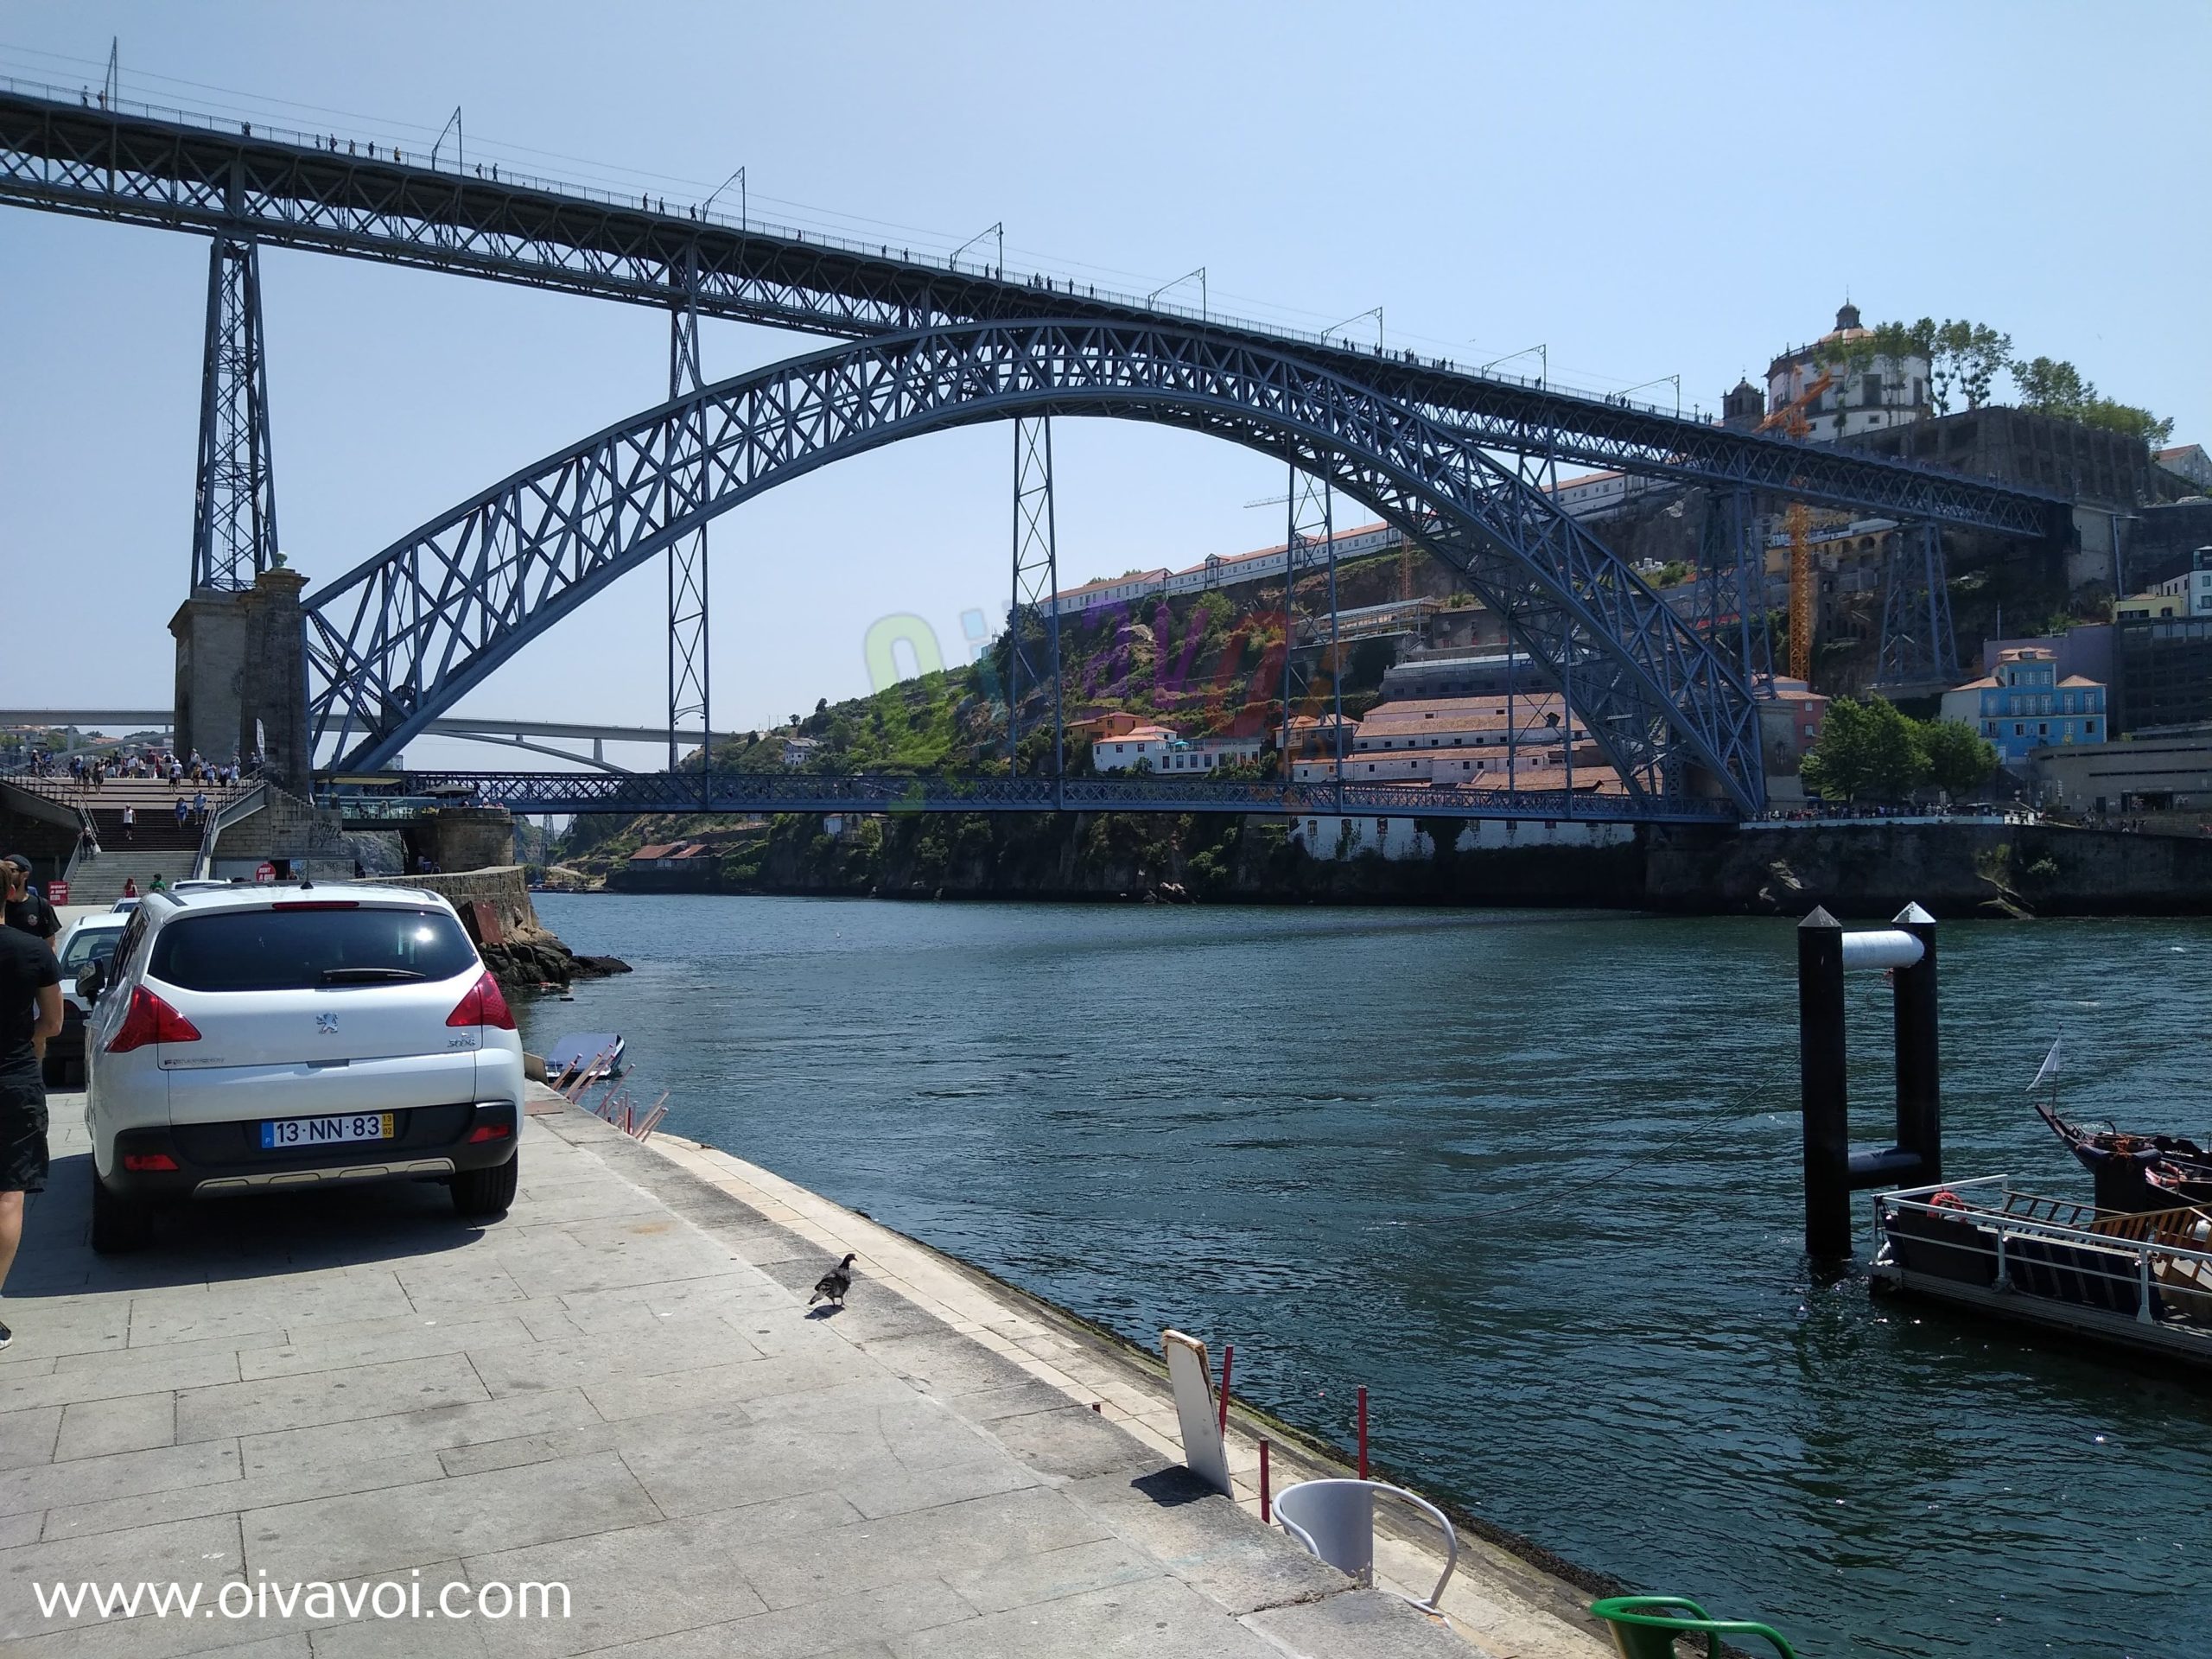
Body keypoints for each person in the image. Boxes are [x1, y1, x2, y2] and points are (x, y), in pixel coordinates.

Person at [0, 912, 63, 1349]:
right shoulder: (31, 949)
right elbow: (54, 1023)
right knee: (8, 1194)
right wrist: (32, 1041)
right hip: (13, 1079)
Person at [2, 859, 58, 945]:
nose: (7, 874)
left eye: (11, 870)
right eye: (4, 871)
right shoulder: (1, 904)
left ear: (25, 875)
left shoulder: (40, 905)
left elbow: (50, 944)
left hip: (30, 957)